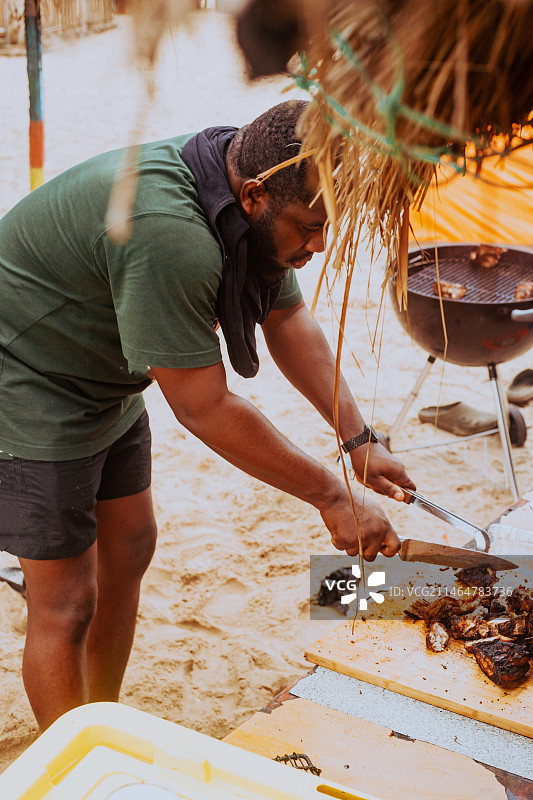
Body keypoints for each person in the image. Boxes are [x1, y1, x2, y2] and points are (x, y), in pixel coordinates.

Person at [0, 99, 415, 731]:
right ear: (253, 196)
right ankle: (78, 767)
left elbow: (289, 319)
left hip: (102, 376)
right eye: (309, 228)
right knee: (68, 600)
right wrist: (332, 497)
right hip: (25, 381)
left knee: (132, 545)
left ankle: (100, 722)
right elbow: (204, 407)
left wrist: (358, 439)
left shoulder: (247, 188)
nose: (320, 244)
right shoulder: (172, 234)